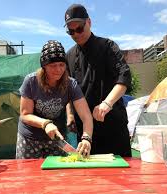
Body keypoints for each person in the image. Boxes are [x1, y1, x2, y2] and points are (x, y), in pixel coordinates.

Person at [64, 4, 132, 157]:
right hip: (86, 134)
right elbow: (67, 89)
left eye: (79, 28)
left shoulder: (107, 46)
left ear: (89, 22)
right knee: (91, 179)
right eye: (71, 31)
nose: (76, 34)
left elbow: (124, 77)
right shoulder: (69, 56)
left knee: (121, 175)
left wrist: (107, 103)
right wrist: (70, 114)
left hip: (113, 125)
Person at [16, 40, 93, 159]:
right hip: (29, 139)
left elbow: (86, 115)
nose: (58, 70)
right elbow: (25, 115)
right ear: (44, 66)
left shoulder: (71, 84)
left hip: (57, 139)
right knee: (28, 175)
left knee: (57, 175)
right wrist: (45, 123)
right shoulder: (31, 82)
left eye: (62, 65)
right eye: (53, 65)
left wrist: (87, 138)